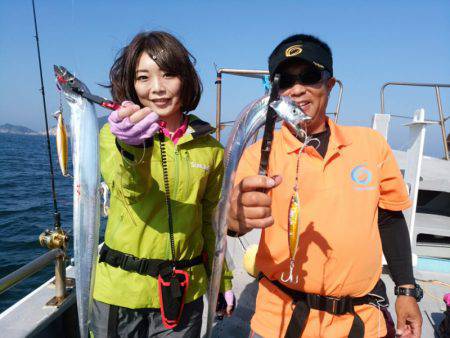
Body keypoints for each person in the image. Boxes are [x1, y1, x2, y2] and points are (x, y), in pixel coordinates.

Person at [227, 34, 423, 337]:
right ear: (276, 93)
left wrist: (406, 290)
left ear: (329, 85)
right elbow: (234, 223)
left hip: (360, 320)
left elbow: (390, 218)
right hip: (278, 318)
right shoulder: (260, 154)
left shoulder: (370, 145)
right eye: (286, 81)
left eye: (309, 76)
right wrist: (234, 218)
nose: (297, 89)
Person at [91, 31, 234, 338]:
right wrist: (132, 147)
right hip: (121, 292)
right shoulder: (113, 135)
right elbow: (129, 189)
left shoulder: (211, 150)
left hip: (184, 294)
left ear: (186, 79)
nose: (157, 88)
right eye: (143, 77)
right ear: (131, 83)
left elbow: (212, 222)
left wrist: (221, 281)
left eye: (168, 74)